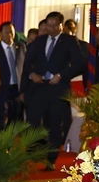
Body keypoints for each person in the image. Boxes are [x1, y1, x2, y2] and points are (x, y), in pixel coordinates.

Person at [22, 11, 84, 166]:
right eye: (49, 25)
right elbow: (27, 62)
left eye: (55, 25)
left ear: (61, 25)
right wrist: (32, 74)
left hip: (57, 88)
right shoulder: (40, 40)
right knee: (33, 121)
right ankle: (33, 154)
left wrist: (61, 75)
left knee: (54, 124)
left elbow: (79, 64)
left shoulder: (69, 41)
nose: (51, 28)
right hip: (39, 87)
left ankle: (51, 159)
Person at [0, 21, 25, 130]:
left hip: (17, 89)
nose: (10, 35)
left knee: (15, 119)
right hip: (2, 88)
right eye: (6, 32)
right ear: (0, 34)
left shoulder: (20, 47)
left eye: (12, 32)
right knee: (1, 118)